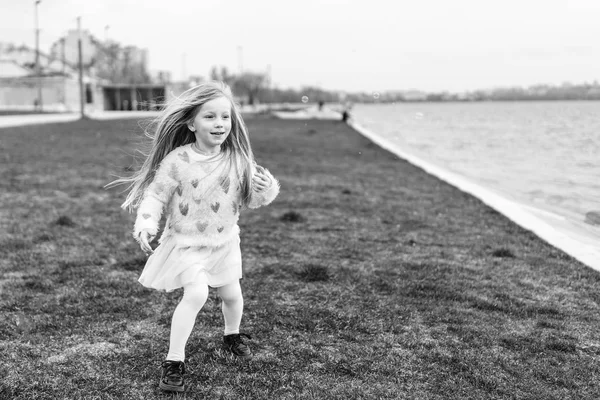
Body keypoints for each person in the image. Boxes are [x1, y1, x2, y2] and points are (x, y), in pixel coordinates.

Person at [107, 81, 280, 393]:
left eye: (225, 117)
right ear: (191, 122)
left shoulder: (238, 159)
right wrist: (146, 223)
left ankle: (232, 335)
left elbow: (252, 200)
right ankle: (174, 361)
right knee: (197, 294)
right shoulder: (177, 160)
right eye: (209, 117)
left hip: (225, 242)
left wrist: (266, 188)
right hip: (186, 243)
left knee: (232, 295)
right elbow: (156, 196)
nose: (219, 124)